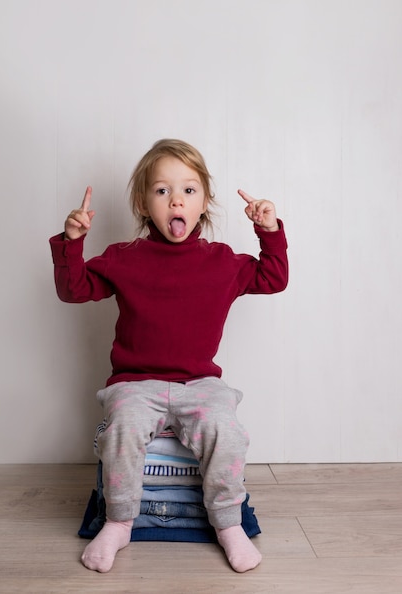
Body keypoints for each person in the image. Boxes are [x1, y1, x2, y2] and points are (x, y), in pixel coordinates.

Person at [49, 139, 288, 573]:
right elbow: (74, 290)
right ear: (143, 203)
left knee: (228, 432)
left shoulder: (222, 262)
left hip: (201, 383)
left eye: (188, 190)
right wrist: (72, 242)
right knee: (121, 429)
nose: (175, 199)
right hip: (135, 384)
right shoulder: (125, 258)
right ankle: (120, 521)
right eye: (162, 191)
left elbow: (272, 278)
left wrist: (268, 231)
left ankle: (228, 524)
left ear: (204, 202)